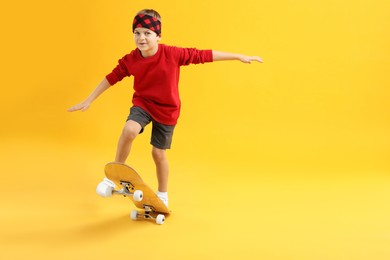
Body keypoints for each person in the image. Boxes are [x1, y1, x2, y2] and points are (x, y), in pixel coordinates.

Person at [68, 9, 263, 207]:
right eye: (137, 33)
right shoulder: (131, 59)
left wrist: (239, 56)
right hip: (143, 104)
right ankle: (114, 176)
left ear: (158, 36)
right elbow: (111, 78)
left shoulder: (172, 54)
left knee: (158, 154)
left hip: (168, 109)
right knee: (129, 129)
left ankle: (163, 194)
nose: (141, 38)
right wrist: (89, 99)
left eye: (147, 33)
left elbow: (204, 55)